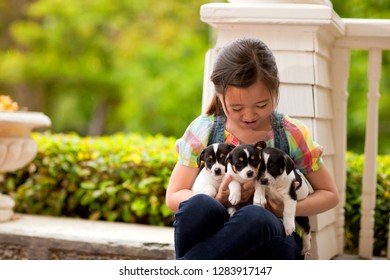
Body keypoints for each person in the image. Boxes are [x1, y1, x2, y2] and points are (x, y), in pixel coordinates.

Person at [165, 38, 339, 260]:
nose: (249, 116)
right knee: (198, 205)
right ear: (219, 95)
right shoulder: (203, 130)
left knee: (254, 216)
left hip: (274, 237)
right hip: (219, 230)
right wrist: (219, 200)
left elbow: (330, 194)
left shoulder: (291, 133)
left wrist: (278, 208)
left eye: (261, 105)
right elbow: (174, 196)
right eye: (237, 108)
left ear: (275, 91)